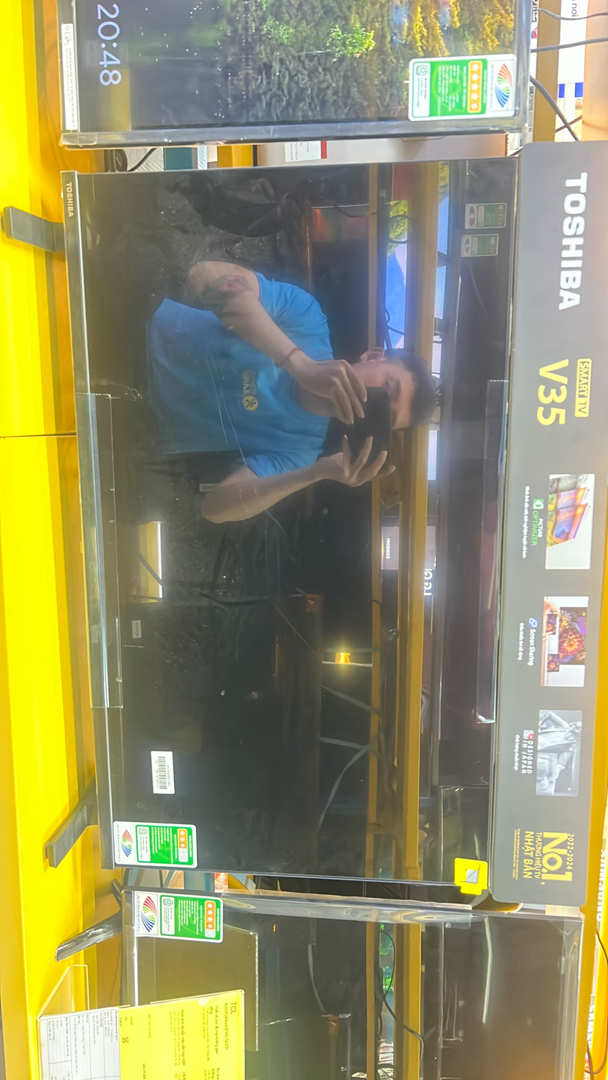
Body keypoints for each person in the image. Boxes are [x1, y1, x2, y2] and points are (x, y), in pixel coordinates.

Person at [148, 259, 436, 523]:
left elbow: (214, 509)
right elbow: (204, 275)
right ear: (372, 356)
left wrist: (315, 473)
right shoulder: (307, 319)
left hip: (137, 419)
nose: (370, 402)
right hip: (138, 328)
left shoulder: (302, 451)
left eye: (385, 415)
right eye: (386, 389)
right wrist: (300, 365)